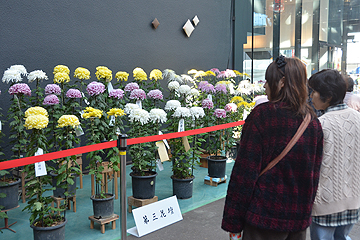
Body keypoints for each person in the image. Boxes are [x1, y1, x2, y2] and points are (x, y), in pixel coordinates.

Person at [222, 56, 324, 240]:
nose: (265, 86)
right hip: (298, 220)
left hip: (264, 219)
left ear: (282, 82)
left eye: (268, 81)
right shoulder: (312, 121)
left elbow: (244, 173)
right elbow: (313, 177)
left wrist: (233, 222)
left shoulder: (262, 116)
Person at [309, 69, 360, 240]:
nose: (311, 96)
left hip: (325, 203)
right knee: (343, 237)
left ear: (328, 96)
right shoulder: (358, 118)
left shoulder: (320, 124)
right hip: (354, 200)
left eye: (314, 91)